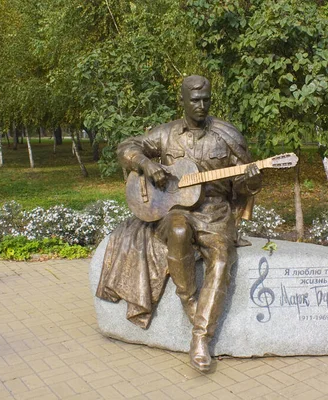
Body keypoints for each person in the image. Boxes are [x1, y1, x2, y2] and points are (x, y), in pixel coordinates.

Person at [96, 75, 261, 372]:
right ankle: (189, 302)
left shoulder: (226, 135)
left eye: (206, 99)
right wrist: (146, 163)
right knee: (179, 229)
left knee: (223, 258)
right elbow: (126, 147)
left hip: (215, 212)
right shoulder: (166, 134)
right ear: (183, 101)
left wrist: (253, 180)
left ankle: (200, 338)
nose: (201, 105)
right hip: (176, 210)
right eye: (195, 99)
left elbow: (244, 185)